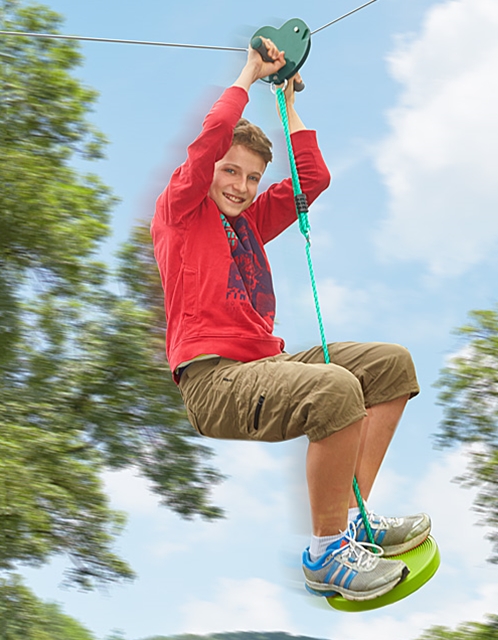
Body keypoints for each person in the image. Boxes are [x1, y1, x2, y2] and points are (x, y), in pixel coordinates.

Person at [151, 38, 431, 602]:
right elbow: (207, 144)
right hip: (213, 380)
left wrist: (287, 102)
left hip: (264, 364)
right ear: (209, 172)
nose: (240, 186)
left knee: (390, 366)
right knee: (334, 389)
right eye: (231, 172)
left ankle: (355, 522)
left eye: (252, 177)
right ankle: (325, 555)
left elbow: (313, 177)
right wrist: (250, 74)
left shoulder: (250, 221)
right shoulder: (182, 210)